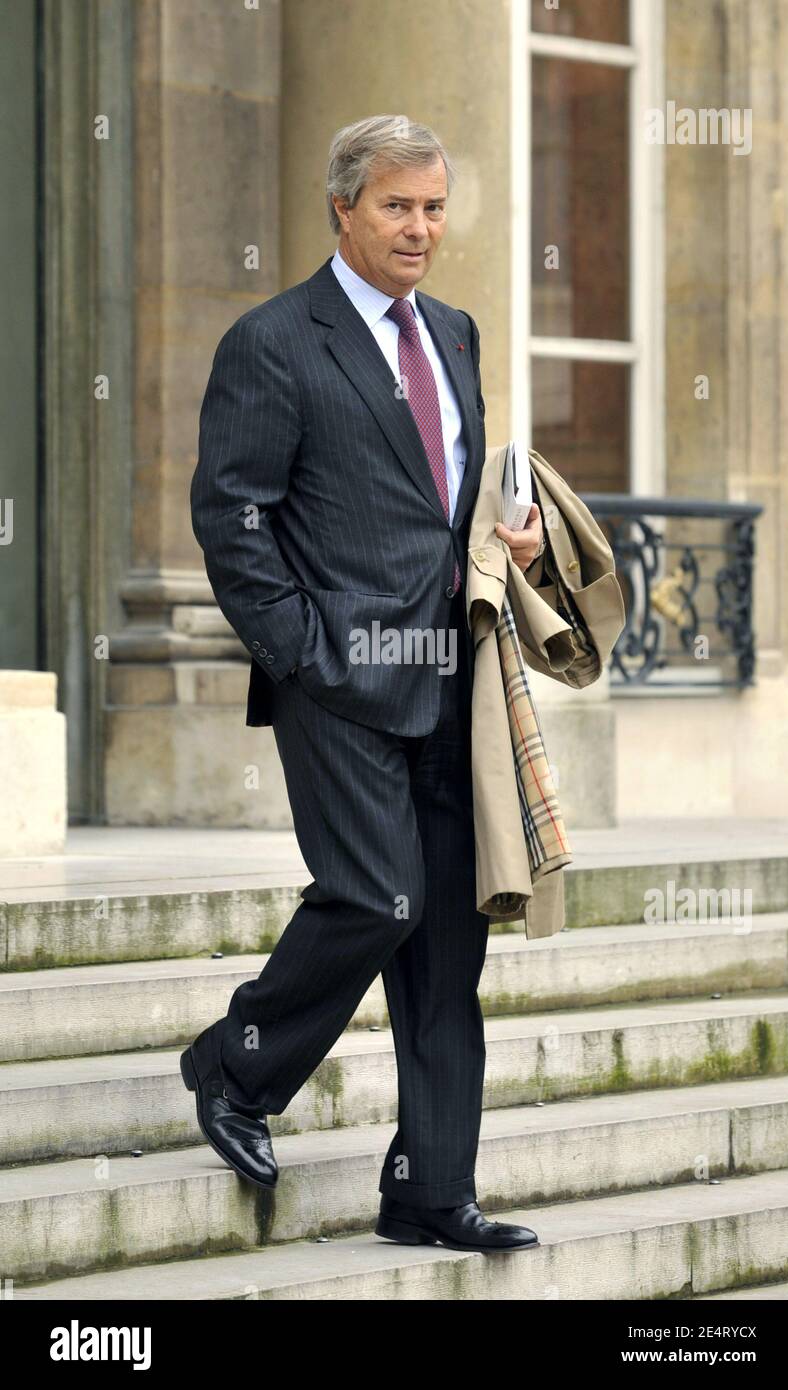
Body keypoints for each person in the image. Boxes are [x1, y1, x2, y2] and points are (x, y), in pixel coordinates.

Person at [186, 114, 544, 1253]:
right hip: (335, 678)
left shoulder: (454, 333)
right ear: (340, 207)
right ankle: (236, 1065)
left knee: (446, 943)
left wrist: (500, 544)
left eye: (433, 207)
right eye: (396, 206)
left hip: (449, 672)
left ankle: (432, 1189)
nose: (419, 228)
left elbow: (433, 506)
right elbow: (231, 515)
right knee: (376, 896)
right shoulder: (273, 340)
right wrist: (296, 648)